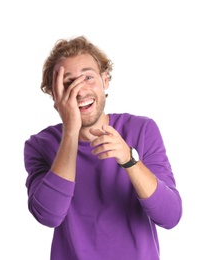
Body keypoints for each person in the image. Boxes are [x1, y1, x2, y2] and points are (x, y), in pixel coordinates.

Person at [23, 35, 182, 260]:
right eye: (68, 83)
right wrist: (70, 131)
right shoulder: (40, 145)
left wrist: (129, 159)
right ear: (54, 94)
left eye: (88, 77)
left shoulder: (142, 130)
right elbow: (48, 215)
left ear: (105, 80)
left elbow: (170, 216)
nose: (80, 90)